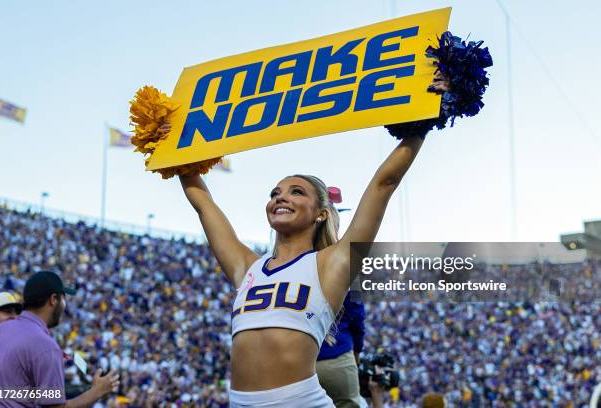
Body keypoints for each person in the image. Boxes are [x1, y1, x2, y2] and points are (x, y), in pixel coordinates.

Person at [170, 74, 450, 407]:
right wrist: (173, 144)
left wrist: (426, 117)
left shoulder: (332, 264)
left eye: (295, 192)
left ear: (320, 213)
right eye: (275, 193)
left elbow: (383, 184)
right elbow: (204, 204)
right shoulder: (246, 266)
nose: (280, 198)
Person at [0, 271, 119, 407]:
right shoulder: (46, 346)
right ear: (53, 300)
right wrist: (97, 391)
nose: (64, 305)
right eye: (64, 299)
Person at [317, 290, 365, 408]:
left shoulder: (290, 273)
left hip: (301, 361)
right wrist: (358, 350)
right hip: (338, 357)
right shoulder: (351, 276)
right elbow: (358, 316)